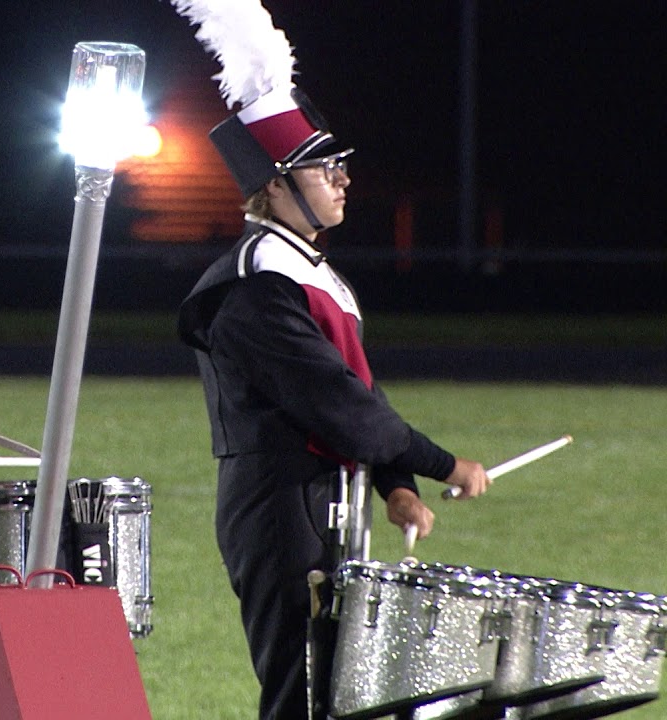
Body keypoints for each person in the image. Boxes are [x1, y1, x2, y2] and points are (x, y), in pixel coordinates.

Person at [176, 88, 492, 720]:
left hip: (324, 495)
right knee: (303, 692)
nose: (344, 179)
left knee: (340, 693)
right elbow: (339, 405)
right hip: (279, 502)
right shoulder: (255, 284)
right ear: (273, 185)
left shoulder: (306, 268)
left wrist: (397, 485)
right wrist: (446, 465)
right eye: (325, 167)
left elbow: (360, 387)